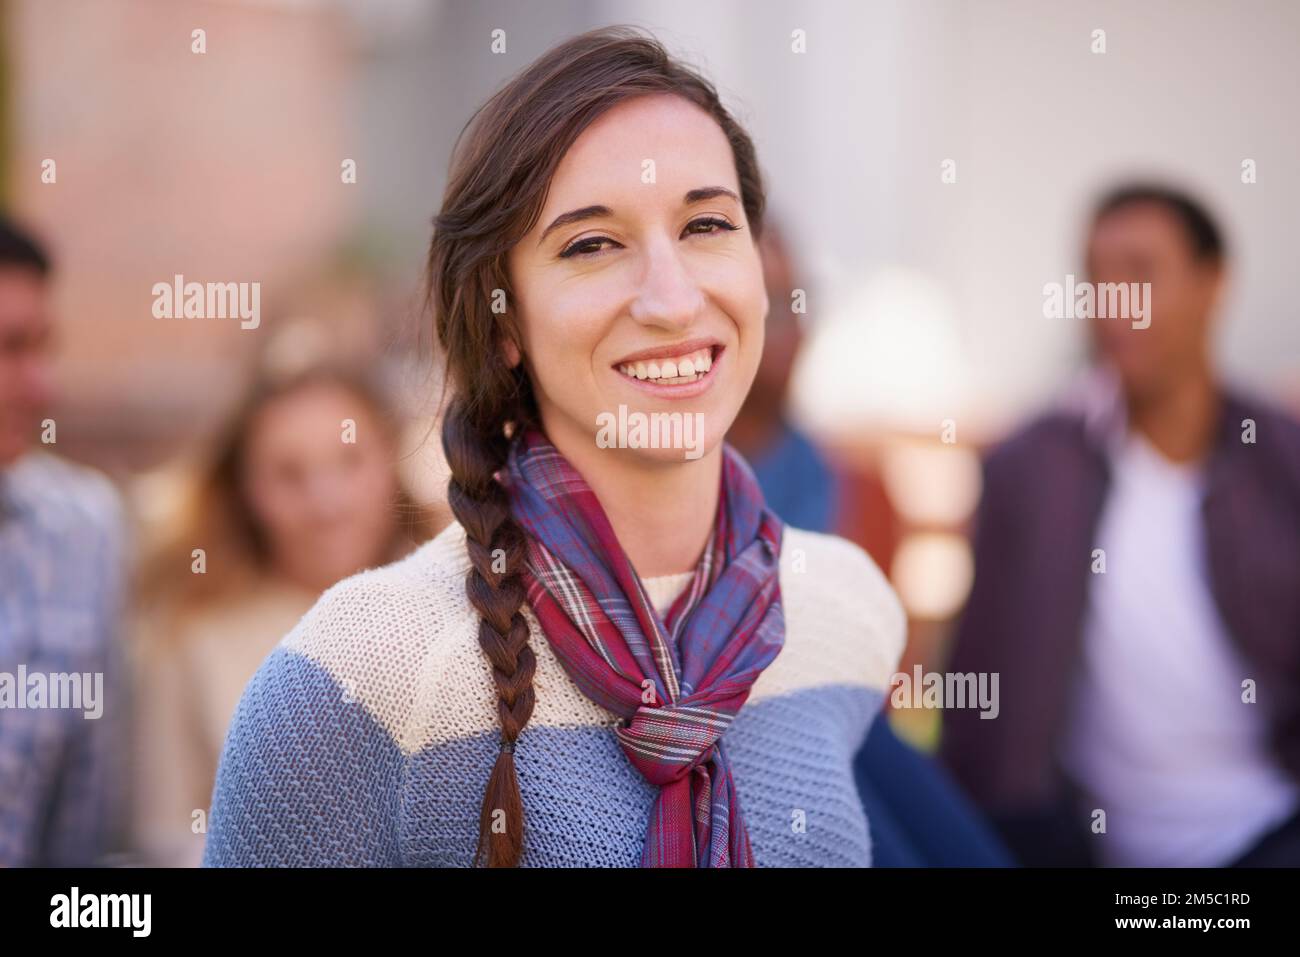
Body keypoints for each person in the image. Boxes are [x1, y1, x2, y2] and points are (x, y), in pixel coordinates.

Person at [202, 25, 905, 868]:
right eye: (592, 244)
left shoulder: (847, 612)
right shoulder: (357, 675)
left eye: (707, 225)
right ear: (503, 322)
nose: (673, 299)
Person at [942, 184, 1300, 867]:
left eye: (1138, 273)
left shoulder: (1281, 458)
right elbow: (979, 684)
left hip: (1273, 830)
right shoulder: (1033, 468)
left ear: (1213, 282)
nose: (1110, 304)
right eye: (1095, 278)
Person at [729, 221, 1010, 867]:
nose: (792, 327)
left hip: (849, 734)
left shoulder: (854, 485)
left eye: (799, 301)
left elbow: (889, 674)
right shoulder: (676, 489)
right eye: (769, 305)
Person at [129, 361, 436, 866]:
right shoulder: (191, 636)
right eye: (288, 474)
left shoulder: (459, 603)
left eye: (350, 461)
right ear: (246, 489)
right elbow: (164, 835)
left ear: (390, 459)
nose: (325, 502)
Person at [0, 216, 129, 866]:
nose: (39, 386)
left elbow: (85, 824)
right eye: (8, 347)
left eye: (42, 347)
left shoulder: (83, 532)